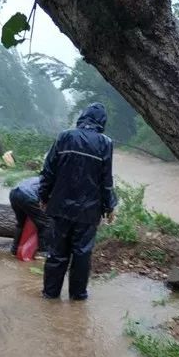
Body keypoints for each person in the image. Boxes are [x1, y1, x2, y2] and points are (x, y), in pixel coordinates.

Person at [39, 102, 117, 300]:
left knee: (57, 253)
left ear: (82, 117)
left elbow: (49, 170)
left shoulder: (65, 137)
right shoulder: (105, 143)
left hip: (60, 206)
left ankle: (50, 295)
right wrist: (110, 206)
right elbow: (106, 180)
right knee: (82, 253)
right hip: (89, 211)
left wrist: (43, 196)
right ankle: (78, 296)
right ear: (102, 122)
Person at [9, 176, 51, 255]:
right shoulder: (50, 182)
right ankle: (43, 252)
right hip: (27, 195)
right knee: (46, 224)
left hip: (14, 193)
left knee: (21, 223)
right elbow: (46, 199)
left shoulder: (38, 178)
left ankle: (14, 249)